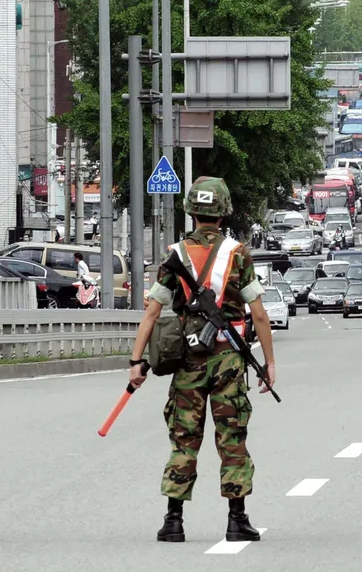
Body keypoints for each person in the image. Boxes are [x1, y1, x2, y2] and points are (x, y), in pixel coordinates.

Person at [127, 177, 277, 543]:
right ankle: (236, 520)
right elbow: (258, 313)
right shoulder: (237, 253)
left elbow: (151, 312)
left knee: (183, 438)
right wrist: (269, 363)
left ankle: (173, 521)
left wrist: (136, 361)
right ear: (224, 212)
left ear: (191, 212)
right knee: (232, 439)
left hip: (186, 363)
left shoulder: (174, 254)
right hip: (228, 360)